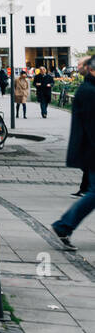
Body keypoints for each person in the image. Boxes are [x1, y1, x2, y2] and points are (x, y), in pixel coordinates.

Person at [52, 57, 95, 249]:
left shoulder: (89, 89)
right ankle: (64, 225)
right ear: (92, 70)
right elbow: (92, 127)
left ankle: (64, 225)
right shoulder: (89, 92)